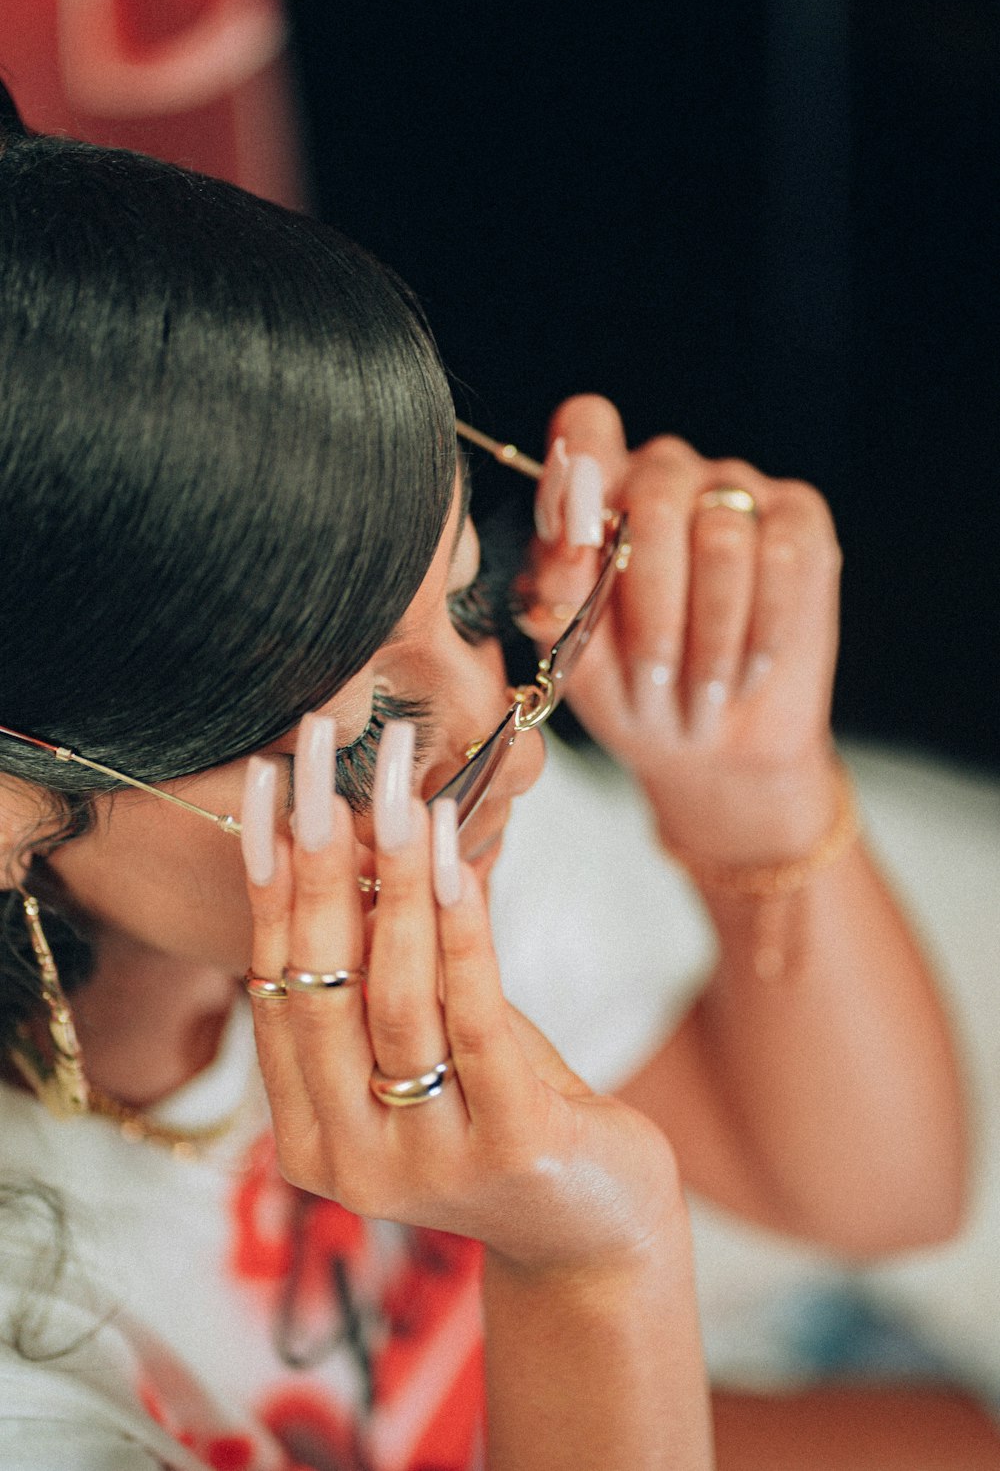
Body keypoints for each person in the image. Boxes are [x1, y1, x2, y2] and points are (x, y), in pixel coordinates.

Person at [0, 82, 965, 1470]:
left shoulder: (421, 831)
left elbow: (876, 1197)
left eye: (470, 600)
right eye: (366, 730)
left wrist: (750, 795)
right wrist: (591, 1263)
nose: (514, 731)